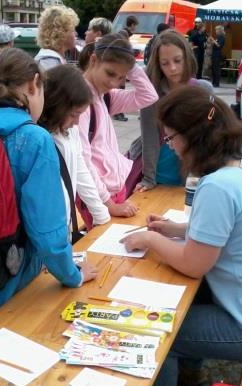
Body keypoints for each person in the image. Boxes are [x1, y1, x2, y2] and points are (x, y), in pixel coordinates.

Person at [121, 86, 242, 386]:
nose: (168, 147)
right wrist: (179, 229)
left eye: (170, 138)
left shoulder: (219, 186)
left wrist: (150, 240)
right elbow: (236, 227)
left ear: (194, 136)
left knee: (159, 333)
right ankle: (190, 378)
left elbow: (193, 265)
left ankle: (181, 380)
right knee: (188, 300)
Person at [0, 47, 98, 329]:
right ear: (33, 84)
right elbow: (48, 232)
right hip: (10, 289)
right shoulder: (33, 139)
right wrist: (72, 274)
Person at [77, 33, 158, 228]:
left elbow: (148, 96)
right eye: (110, 73)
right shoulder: (81, 102)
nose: (114, 83)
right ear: (93, 60)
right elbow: (83, 163)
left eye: (121, 78)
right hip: (100, 198)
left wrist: (130, 67)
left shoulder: (105, 95)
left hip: (112, 191)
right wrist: (109, 204)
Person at [130, 29, 214, 192]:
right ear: (158, 64)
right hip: (158, 169)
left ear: (187, 58)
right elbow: (150, 136)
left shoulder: (204, 90)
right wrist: (148, 178)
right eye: (165, 63)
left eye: (177, 60)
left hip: (194, 171)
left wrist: (196, 176)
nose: (173, 68)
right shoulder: (151, 92)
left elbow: (206, 138)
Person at [39, 65, 110, 233]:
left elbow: (80, 171)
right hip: (50, 231)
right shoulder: (42, 139)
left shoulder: (71, 131)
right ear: (56, 105)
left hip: (65, 227)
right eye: (73, 114)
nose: (77, 122)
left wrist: (101, 215)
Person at [35, 5, 79, 71]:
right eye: (73, 30)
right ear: (62, 33)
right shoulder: (49, 61)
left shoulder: (52, 59)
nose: (76, 33)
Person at [114, 15, 139, 122]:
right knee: (120, 90)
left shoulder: (124, 33)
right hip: (120, 66)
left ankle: (118, 112)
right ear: (132, 25)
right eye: (135, 26)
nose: (135, 28)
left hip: (121, 66)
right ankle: (117, 112)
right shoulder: (124, 34)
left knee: (120, 89)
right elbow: (122, 49)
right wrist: (132, 53)